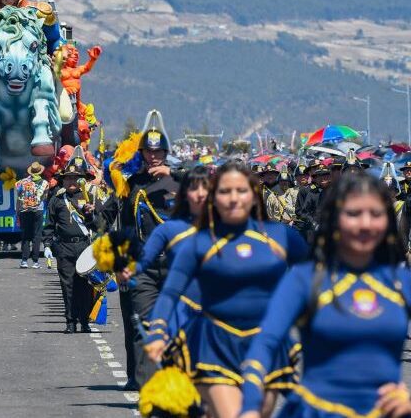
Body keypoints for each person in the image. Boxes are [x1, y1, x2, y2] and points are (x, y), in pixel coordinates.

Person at [144, 160, 308, 418]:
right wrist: (157, 331)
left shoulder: (282, 236)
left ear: (254, 196)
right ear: (214, 198)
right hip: (214, 344)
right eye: (224, 191)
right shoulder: (200, 242)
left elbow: (318, 280)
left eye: (241, 191)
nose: (233, 199)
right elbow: (170, 292)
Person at [240, 170, 410, 418]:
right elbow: (265, 344)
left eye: (376, 214)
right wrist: (250, 407)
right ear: (335, 219)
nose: (365, 223)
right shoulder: (304, 279)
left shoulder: (401, 281)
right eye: (353, 213)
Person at [101, 127, 180, 391]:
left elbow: (209, 185)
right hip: (141, 263)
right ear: (143, 153)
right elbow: (122, 221)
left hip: (174, 262)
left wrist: (174, 175)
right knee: (137, 322)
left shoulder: (179, 182)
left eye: (159, 151)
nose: (154, 156)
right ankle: (141, 379)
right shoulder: (132, 183)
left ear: (166, 152)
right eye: (149, 150)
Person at [116, 166, 209, 367]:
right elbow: (145, 257)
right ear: (185, 195)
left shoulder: (225, 225)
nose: (200, 194)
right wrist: (128, 268)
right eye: (194, 189)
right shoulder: (170, 228)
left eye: (205, 188)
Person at [43, 147, 101, 334]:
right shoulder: (57, 200)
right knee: (67, 286)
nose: (72, 181)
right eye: (68, 178)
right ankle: (70, 322)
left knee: (85, 286)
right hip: (64, 247)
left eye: (76, 178)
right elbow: (49, 224)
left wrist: (91, 215)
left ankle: (84, 321)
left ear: (83, 179)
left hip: (85, 246)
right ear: (63, 180)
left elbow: (99, 226)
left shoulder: (90, 198)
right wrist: (47, 245)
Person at [15, 161, 49, 269]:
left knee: (25, 236)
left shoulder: (21, 182)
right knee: (37, 235)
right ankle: (35, 262)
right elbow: (45, 197)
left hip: (24, 210)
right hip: (38, 210)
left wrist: (17, 211)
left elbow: (18, 196)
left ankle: (24, 260)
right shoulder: (44, 183)